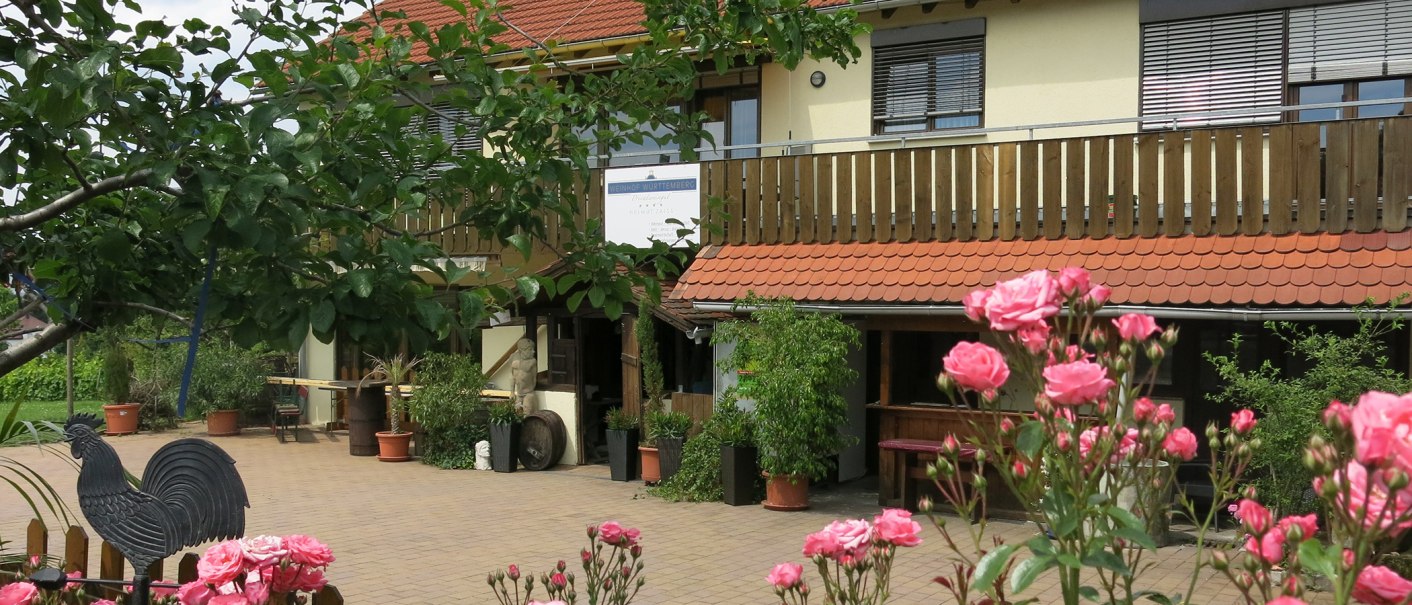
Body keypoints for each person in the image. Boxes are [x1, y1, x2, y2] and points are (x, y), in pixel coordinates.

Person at [510, 337, 538, 413]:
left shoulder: (532, 361)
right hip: (519, 394)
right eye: (530, 349)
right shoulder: (514, 358)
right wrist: (512, 392)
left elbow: (532, 376)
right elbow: (512, 377)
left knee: (527, 411)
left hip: (528, 393)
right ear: (522, 350)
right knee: (517, 412)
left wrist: (517, 364)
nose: (533, 351)